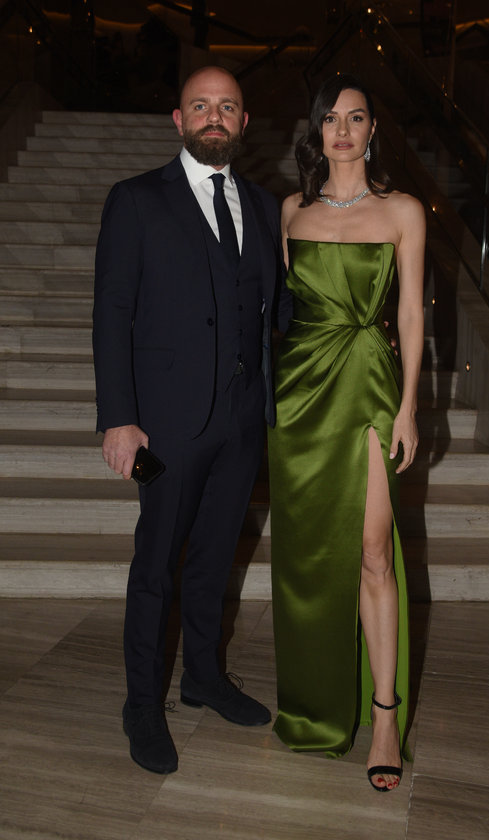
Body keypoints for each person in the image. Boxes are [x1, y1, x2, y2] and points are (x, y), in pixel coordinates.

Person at [93, 65, 290, 775]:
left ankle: (203, 676)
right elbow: (112, 312)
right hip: (166, 424)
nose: (214, 117)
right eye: (200, 106)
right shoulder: (136, 200)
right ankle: (142, 704)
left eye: (227, 106)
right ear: (178, 120)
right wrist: (119, 418)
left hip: (241, 419)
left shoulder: (265, 206)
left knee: (214, 558)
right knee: (156, 564)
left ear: (243, 122)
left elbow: (278, 310)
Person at [268, 73, 425, 792]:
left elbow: (412, 315)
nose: (342, 130)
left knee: (371, 551)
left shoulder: (402, 210)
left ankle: (384, 715)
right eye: (329, 118)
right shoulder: (289, 210)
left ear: (372, 130)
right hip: (300, 394)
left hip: (369, 381)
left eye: (355, 118)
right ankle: (313, 705)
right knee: (307, 557)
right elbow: (284, 311)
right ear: (316, 130)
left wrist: (408, 407)